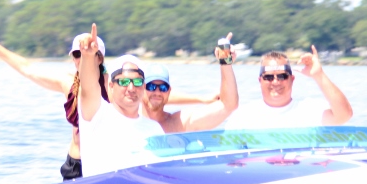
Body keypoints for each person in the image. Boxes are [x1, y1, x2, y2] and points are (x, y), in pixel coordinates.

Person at [0, 27, 108, 180]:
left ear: (99, 58)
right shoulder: (69, 83)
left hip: (104, 165)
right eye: (78, 54)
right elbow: (28, 69)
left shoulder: (115, 86)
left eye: (89, 53)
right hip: (75, 167)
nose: (83, 58)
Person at [77, 23, 164, 177]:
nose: (131, 88)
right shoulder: (97, 115)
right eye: (123, 82)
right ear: (111, 86)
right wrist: (88, 56)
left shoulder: (154, 128)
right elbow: (88, 87)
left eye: (137, 82)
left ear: (144, 87)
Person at [224, 45, 353, 130]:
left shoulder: (310, 110)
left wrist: (319, 75)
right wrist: (224, 61)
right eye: (269, 77)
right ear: (260, 81)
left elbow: (344, 115)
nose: (276, 82)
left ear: (292, 79)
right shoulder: (243, 116)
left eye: (282, 76)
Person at [141, 32, 239, 133]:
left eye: (163, 88)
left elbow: (228, 105)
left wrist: (225, 61)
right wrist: (202, 99)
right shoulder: (131, 122)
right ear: (141, 88)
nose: (157, 92)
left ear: (169, 91)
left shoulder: (179, 124)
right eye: (151, 86)